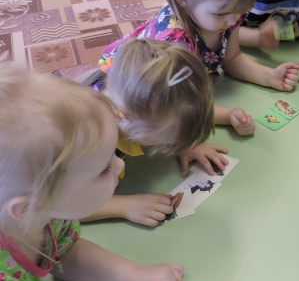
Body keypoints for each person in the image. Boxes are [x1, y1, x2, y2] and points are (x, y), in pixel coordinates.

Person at [0, 66, 204, 281]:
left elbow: (65, 252)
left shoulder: (45, 211)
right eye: (103, 169)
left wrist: (131, 273)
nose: (120, 165)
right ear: (29, 207)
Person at [102, 0, 299, 134]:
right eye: (221, 14)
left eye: (239, 11)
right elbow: (172, 109)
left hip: (179, 96)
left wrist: (269, 76)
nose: (233, 20)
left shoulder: (228, 16)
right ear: (184, 1)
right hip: (138, 107)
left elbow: (232, 59)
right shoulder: (174, 43)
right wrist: (226, 116)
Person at [83, 38, 228, 226]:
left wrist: (186, 143)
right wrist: (122, 206)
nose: (171, 144)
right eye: (165, 139)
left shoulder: (132, 100)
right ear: (124, 116)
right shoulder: (85, 142)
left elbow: (174, 110)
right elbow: (55, 207)